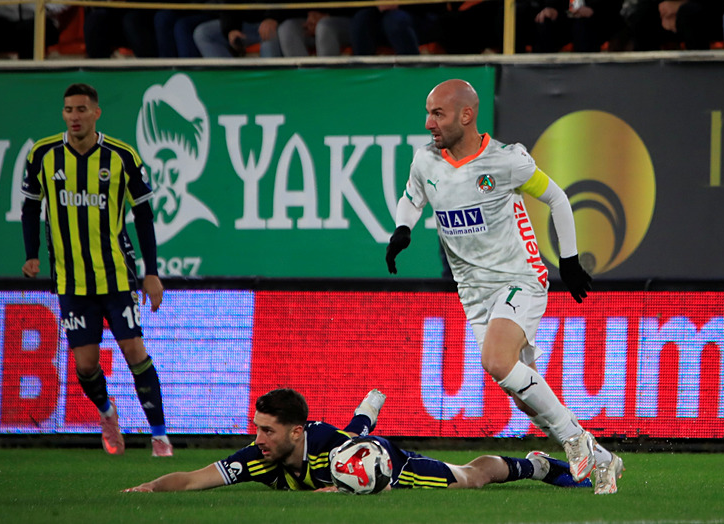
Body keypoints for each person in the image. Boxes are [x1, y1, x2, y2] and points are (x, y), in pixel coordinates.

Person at [384, 79, 623, 495]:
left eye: (437, 114)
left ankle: (574, 440)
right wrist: (403, 228)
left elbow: (558, 198)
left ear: (466, 115)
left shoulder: (504, 161)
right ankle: (604, 460)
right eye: (427, 113)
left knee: (495, 361)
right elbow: (412, 196)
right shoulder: (426, 161)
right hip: (472, 293)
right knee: (522, 395)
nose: (428, 123)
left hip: (519, 279)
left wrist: (568, 259)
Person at [20, 83, 172, 457]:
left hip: (116, 275)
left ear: (96, 113)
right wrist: (32, 254)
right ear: (63, 114)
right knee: (86, 365)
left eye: (82, 110)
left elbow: (144, 214)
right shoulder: (43, 154)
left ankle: (160, 436)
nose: (75, 116)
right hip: (70, 280)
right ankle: (107, 413)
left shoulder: (121, 155)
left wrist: (151, 271)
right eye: (69, 110)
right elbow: (29, 207)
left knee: (134, 351)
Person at [123, 388, 591, 493]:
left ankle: (538, 464)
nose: (258, 438)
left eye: (267, 430)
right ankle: (365, 412)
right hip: (356, 446)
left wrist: (368, 485)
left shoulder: (329, 444)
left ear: (296, 432)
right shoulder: (258, 458)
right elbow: (190, 480)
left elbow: (371, 452)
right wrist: (144, 490)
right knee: (359, 425)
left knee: (470, 479)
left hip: (388, 465)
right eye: (257, 428)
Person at [0, 0, 67, 59]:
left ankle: (27, 80)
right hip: (5, 20)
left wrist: (47, 8)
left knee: (28, 32)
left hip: (41, 20)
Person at [193, 0, 283, 58]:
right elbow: (228, 4)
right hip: (245, 25)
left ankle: (269, 85)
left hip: (276, 23)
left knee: (269, 45)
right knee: (203, 33)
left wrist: (273, 17)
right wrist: (231, 29)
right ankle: (229, 81)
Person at [349, 3, 443, 55]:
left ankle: (412, 69)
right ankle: (364, 72)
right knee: (361, 18)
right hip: (378, 17)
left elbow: (437, 6)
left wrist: (399, 4)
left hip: (419, 16)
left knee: (395, 20)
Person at [278, 0, 356, 57]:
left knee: (324, 27)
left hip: (347, 17)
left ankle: (326, 76)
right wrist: (311, 16)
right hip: (305, 19)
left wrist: (328, 15)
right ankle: (303, 77)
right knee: (287, 29)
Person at [83, 2, 157, 58]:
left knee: (131, 21)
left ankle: (149, 66)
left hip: (140, 9)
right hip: (110, 10)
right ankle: (98, 68)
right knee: (95, 20)